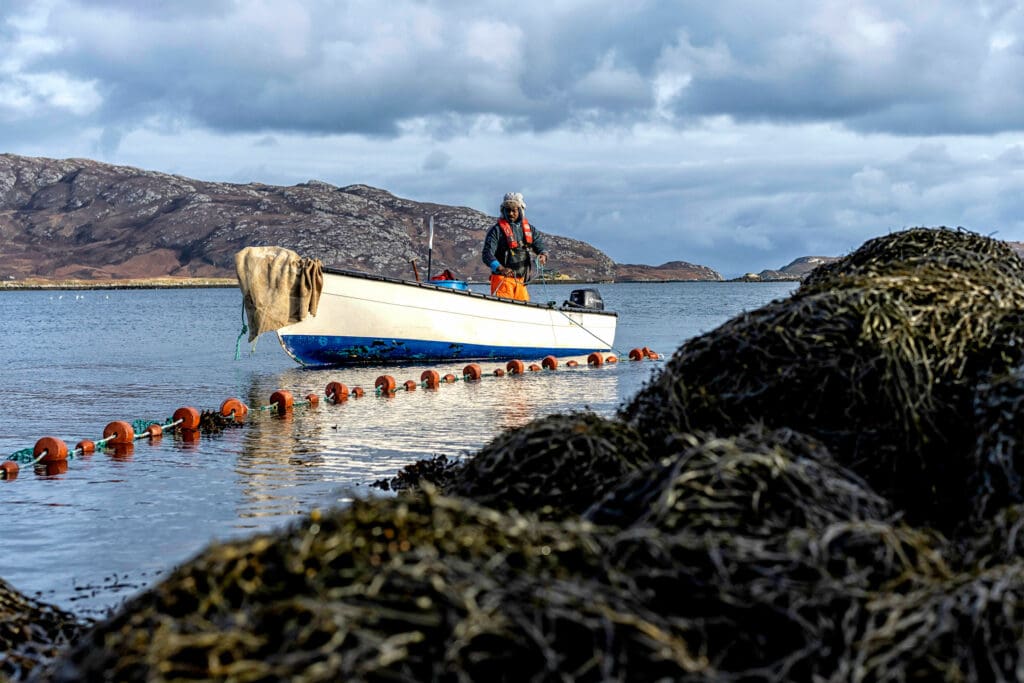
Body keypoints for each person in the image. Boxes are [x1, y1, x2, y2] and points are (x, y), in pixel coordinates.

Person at [481, 191, 548, 301]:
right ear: (503, 211)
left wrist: (543, 254)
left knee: (524, 310)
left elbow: (540, 245)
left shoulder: (529, 229)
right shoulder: (496, 231)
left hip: (521, 282)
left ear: (520, 210)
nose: (511, 213)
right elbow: (487, 254)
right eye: (508, 210)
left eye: (514, 210)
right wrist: (500, 268)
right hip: (502, 280)